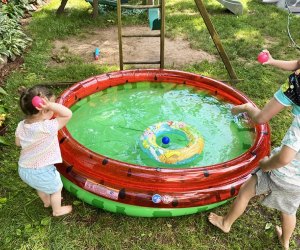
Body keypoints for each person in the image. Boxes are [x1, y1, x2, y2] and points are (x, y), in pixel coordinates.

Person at [208, 52, 300, 250]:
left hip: (279, 173)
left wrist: (266, 163)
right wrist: (273, 61)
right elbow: (298, 64)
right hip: (297, 185)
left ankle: (226, 223)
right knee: (289, 211)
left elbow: (284, 158)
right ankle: (285, 242)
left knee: (246, 191)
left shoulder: (298, 129)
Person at [15, 85, 73, 216]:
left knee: (40, 186)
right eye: (51, 106)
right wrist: (51, 106)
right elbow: (68, 114)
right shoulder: (48, 127)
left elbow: (18, 143)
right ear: (44, 110)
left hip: (24, 169)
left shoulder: (21, 125)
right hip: (41, 171)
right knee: (57, 189)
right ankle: (57, 210)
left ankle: (47, 201)